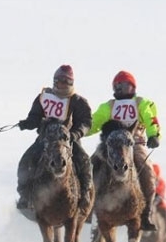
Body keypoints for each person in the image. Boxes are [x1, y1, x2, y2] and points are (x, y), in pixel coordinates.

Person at [16, 65, 93, 218]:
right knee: (26, 161)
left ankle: (84, 195)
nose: (61, 85)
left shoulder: (78, 101)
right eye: (59, 81)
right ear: (54, 81)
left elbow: (86, 122)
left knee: (84, 161)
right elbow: (34, 118)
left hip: (68, 141)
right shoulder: (43, 97)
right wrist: (27, 123)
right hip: (45, 139)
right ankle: (25, 195)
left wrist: (75, 134)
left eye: (65, 82)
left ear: (71, 83)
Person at [88, 70, 160, 231]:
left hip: (136, 144)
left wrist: (153, 135)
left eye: (125, 85)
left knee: (148, 171)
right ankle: (88, 206)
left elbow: (150, 118)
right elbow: (94, 122)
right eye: (118, 85)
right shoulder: (109, 106)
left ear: (132, 86)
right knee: (90, 166)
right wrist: (78, 131)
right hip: (112, 145)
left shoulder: (141, 103)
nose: (121, 88)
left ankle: (146, 213)